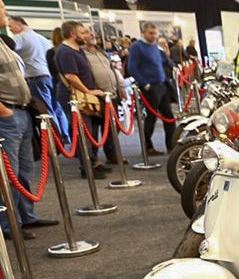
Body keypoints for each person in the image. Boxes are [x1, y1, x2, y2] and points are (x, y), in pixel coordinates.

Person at [0, 0, 55, 239]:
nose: (6, 12)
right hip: (8, 116)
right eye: (2, 7)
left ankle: (26, 217)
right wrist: (4, 111)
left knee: (24, 170)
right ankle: (9, 224)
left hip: (20, 112)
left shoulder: (4, 42)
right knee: (9, 173)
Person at [53, 21, 110, 178]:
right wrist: (88, 91)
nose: (87, 35)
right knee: (84, 131)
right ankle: (86, 167)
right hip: (75, 97)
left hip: (84, 97)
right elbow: (71, 76)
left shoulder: (77, 50)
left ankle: (93, 161)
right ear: (73, 34)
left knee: (91, 130)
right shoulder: (66, 52)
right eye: (83, 33)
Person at [5, 16, 64, 142]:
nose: (10, 29)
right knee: (56, 109)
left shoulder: (19, 37)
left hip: (35, 78)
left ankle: (55, 140)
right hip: (48, 76)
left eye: (11, 26)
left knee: (45, 111)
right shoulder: (42, 38)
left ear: (19, 25)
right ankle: (65, 136)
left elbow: (8, 50)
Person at [127, 23, 176, 154]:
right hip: (150, 87)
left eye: (155, 33)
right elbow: (132, 68)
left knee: (169, 117)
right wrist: (145, 84)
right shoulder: (137, 47)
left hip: (162, 85)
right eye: (150, 33)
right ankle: (148, 147)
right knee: (151, 118)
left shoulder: (154, 46)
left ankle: (171, 147)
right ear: (143, 33)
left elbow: (163, 61)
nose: (153, 36)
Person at [82, 34, 124, 167]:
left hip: (111, 95)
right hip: (95, 96)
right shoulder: (81, 53)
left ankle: (111, 155)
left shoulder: (102, 52)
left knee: (113, 127)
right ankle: (93, 159)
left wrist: (120, 88)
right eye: (86, 33)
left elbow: (113, 70)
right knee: (93, 129)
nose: (91, 35)